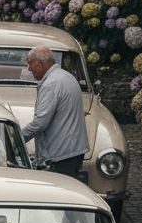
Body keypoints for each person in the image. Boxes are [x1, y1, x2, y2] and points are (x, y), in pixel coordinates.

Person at [21, 46, 90, 177]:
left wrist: (18, 138)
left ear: (40, 64)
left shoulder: (51, 84)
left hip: (61, 154)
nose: (29, 69)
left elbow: (40, 122)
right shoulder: (67, 77)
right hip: (73, 150)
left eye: (30, 64)